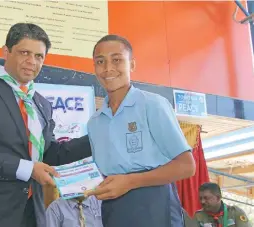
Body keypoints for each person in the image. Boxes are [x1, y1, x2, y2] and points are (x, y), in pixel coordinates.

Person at [0, 23, 91, 227]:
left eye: (39, 56)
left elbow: (50, 154)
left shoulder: (41, 103)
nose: (32, 61)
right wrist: (29, 169)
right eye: (25, 52)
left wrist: (95, 139)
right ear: (6, 51)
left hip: (31, 212)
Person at [84, 34, 196, 227]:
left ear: (132, 65)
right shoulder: (95, 122)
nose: (108, 68)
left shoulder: (152, 105)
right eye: (100, 61)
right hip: (113, 208)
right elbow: (101, 174)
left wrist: (130, 182)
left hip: (155, 204)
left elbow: (187, 166)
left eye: (117, 60)